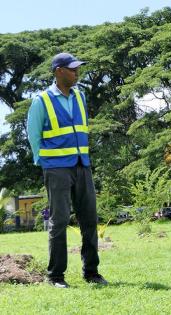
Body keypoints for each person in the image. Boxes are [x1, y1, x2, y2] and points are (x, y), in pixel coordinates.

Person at [27, 53, 108, 288]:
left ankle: (91, 272)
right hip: (56, 168)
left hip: (82, 165)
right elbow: (33, 135)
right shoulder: (41, 100)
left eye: (77, 69)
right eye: (72, 69)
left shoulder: (80, 97)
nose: (77, 73)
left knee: (90, 218)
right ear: (58, 71)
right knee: (59, 220)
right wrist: (42, 160)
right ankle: (55, 276)